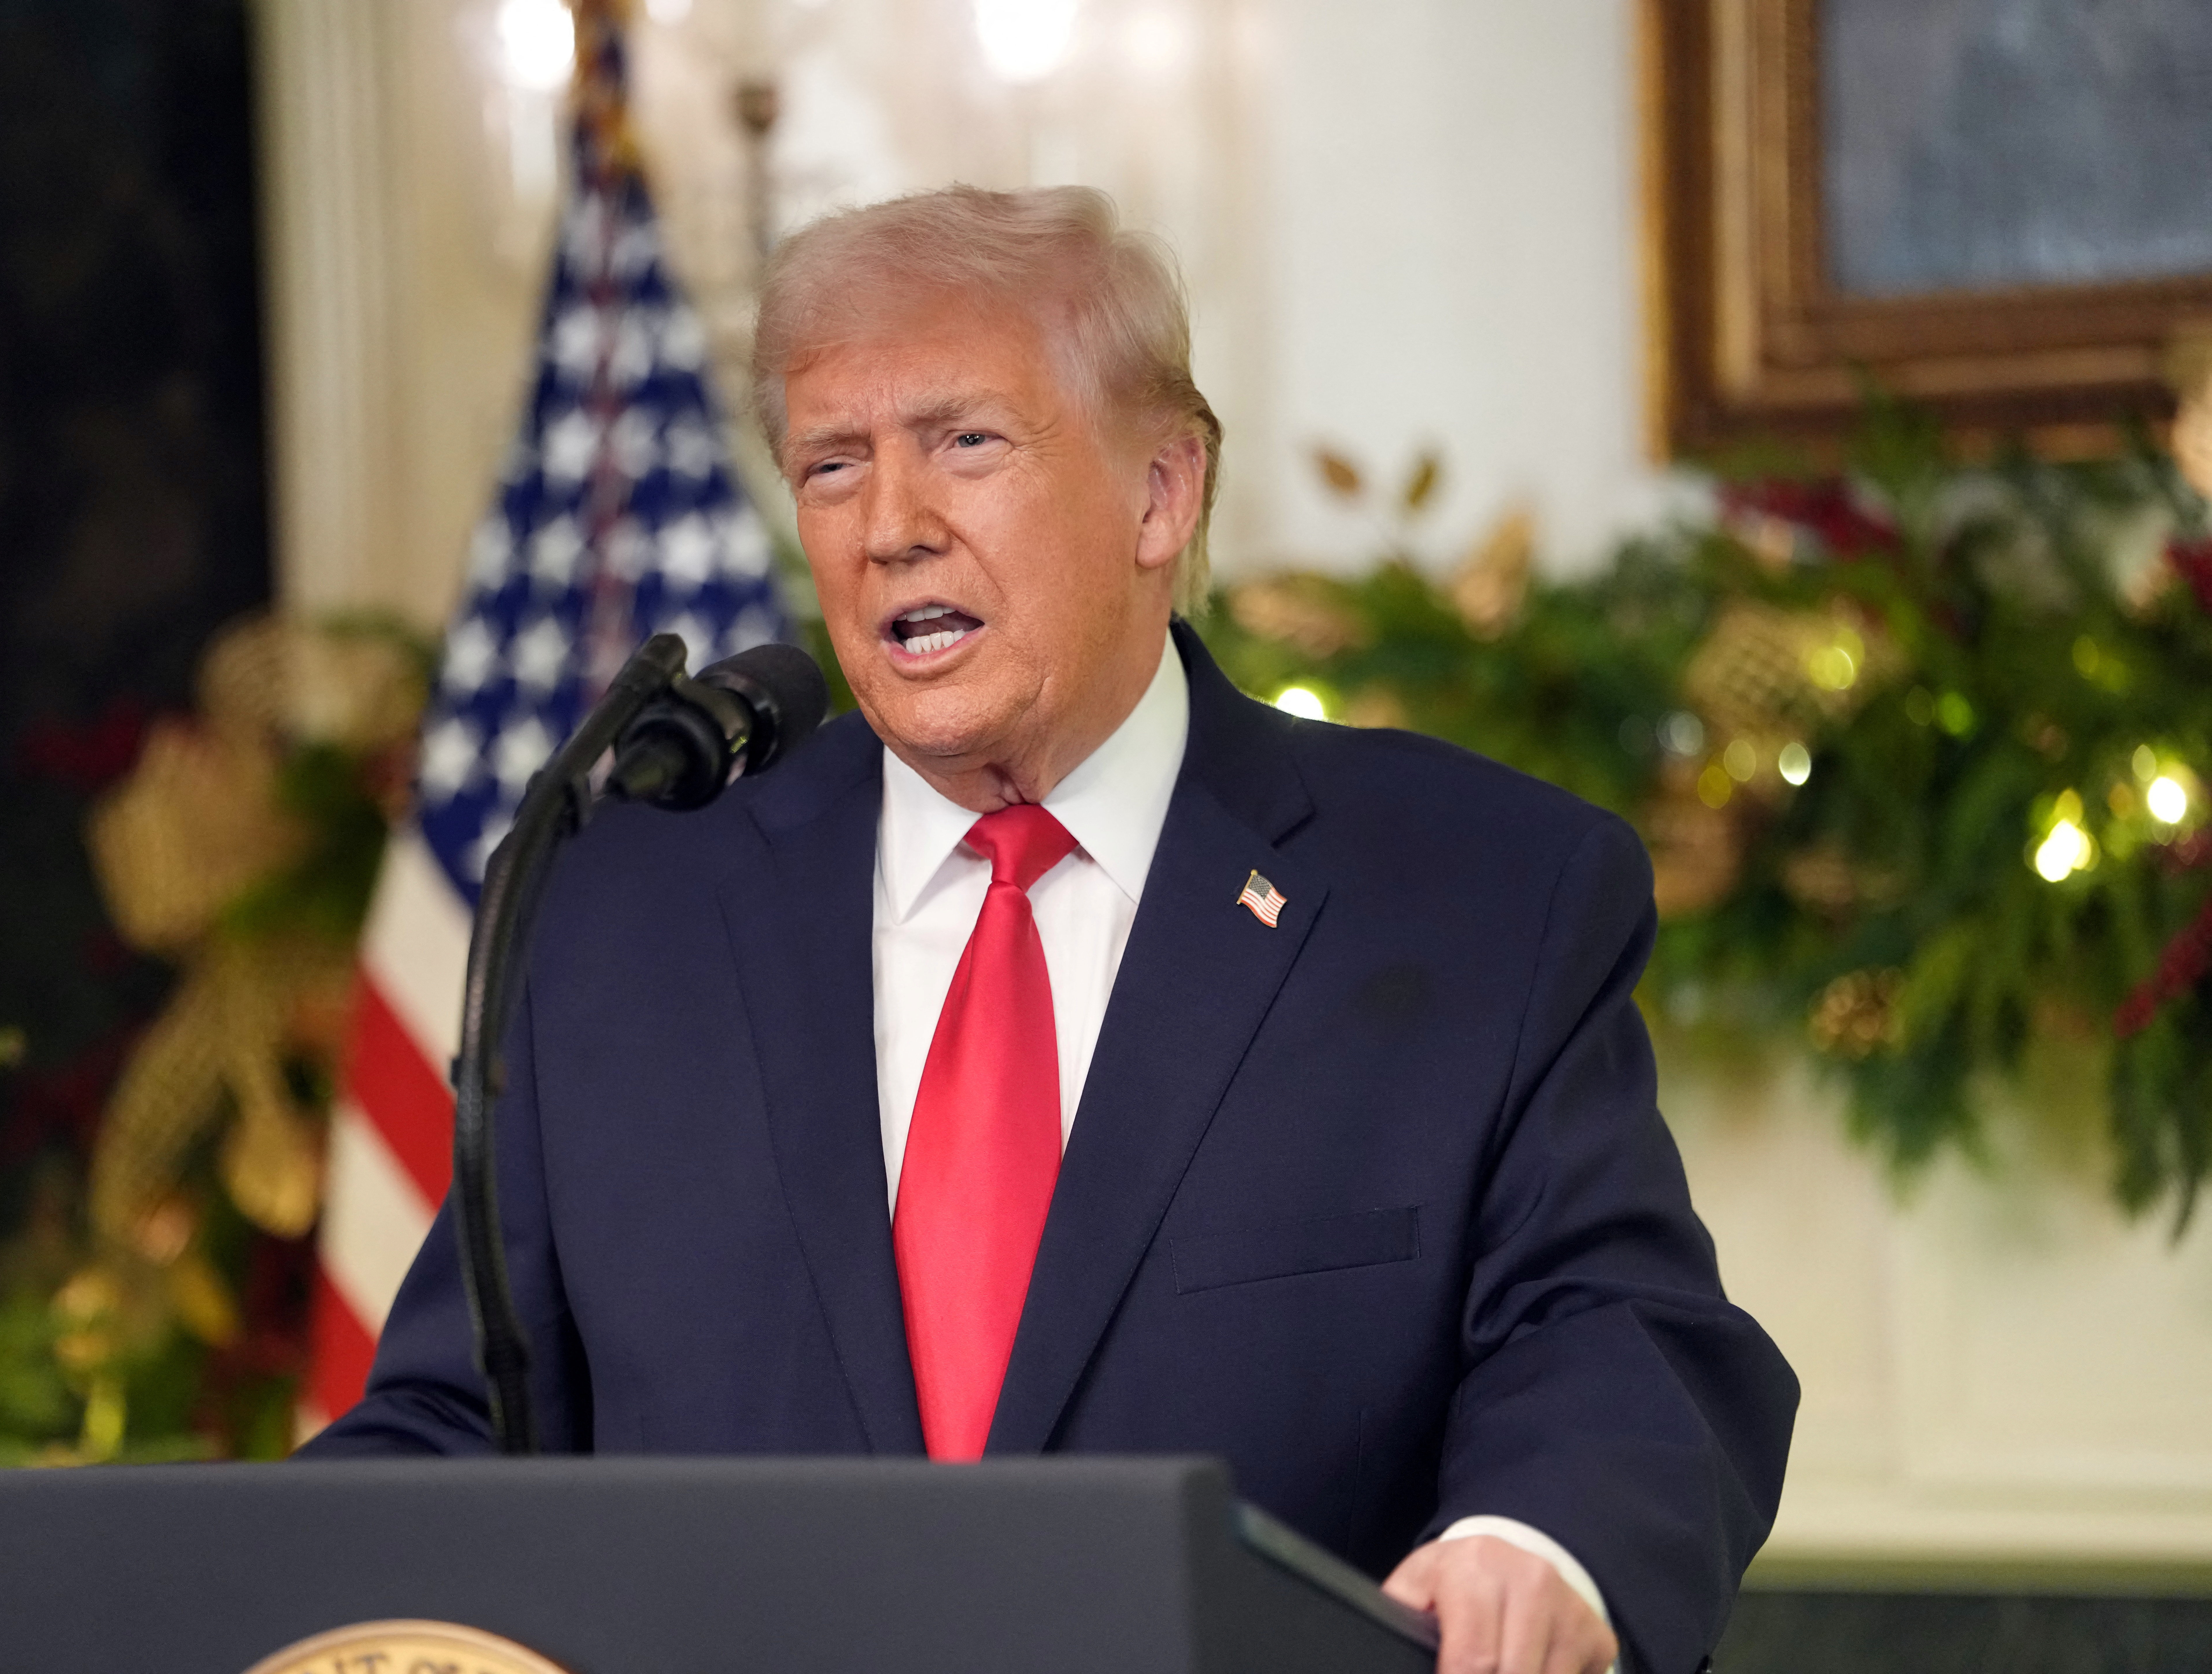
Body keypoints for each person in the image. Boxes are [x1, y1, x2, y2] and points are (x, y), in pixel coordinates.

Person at [306, 185, 1798, 1674]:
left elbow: (1620, 1330)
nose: (891, 527)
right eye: (832, 466)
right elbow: (463, 1421)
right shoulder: (631, 914)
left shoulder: (1476, 890)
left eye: (965, 443)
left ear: (1163, 492)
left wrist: (1538, 1548)